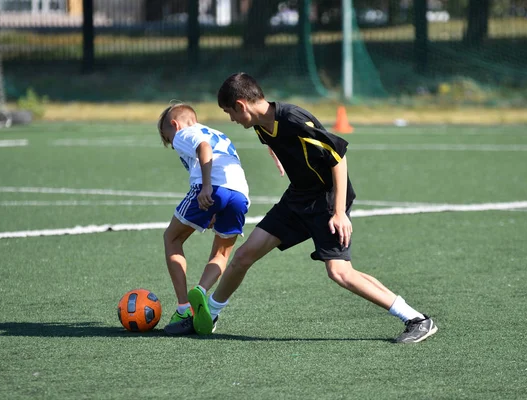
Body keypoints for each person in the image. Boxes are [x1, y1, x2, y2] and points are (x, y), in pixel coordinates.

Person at [188, 73, 437, 343]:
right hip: (297, 198)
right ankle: (209, 314)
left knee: (340, 272)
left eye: (229, 113)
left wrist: (339, 212)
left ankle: (417, 319)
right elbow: (272, 140)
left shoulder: (294, 120)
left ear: (241, 105)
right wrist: (280, 156)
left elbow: (338, 157)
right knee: (244, 255)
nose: (232, 120)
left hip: (326, 200)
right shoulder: (261, 123)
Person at [156, 103, 250, 335]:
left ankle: (183, 308)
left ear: (174, 125)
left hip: (211, 186)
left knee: (172, 238)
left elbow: (203, 147)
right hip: (240, 193)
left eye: (168, 138)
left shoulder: (184, 133)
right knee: (221, 253)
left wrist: (206, 187)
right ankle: (202, 289)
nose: (172, 144)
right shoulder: (220, 134)